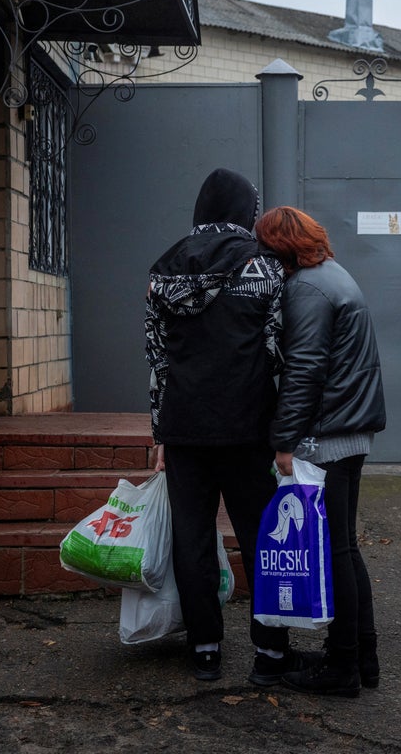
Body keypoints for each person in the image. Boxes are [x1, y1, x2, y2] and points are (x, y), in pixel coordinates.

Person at [144, 168, 315, 684]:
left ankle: (205, 648)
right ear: (247, 210)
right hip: (247, 431)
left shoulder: (164, 268)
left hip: (184, 430)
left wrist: (159, 433)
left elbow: (156, 359)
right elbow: (278, 355)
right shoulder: (266, 268)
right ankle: (270, 654)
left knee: (192, 539)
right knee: (263, 538)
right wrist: (289, 436)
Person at [253, 206, 387, 698]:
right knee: (345, 549)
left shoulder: (307, 289)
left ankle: (343, 668)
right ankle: (362, 658)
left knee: (336, 551)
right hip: (349, 429)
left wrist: (284, 441)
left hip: (327, 436)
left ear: (279, 248)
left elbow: (304, 370)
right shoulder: (334, 276)